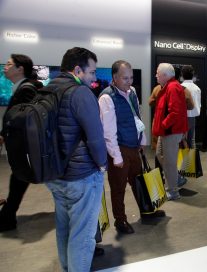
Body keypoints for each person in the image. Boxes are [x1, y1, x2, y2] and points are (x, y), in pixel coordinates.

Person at [45, 47, 107, 272]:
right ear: (77, 70)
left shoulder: (48, 89)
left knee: (64, 228)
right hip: (81, 176)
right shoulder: (80, 93)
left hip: (54, 173)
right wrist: (102, 165)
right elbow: (95, 137)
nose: (94, 78)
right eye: (91, 72)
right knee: (82, 235)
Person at [99, 60, 165, 234]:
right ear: (114, 77)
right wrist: (116, 156)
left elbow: (137, 116)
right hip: (119, 149)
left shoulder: (132, 92)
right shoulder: (107, 98)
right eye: (125, 78)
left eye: (131, 77)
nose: (129, 82)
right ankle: (120, 221)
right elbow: (108, 131)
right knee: (118, 187)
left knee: (138, 181)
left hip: (134, 146)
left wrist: (142, 139)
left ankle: (147, 211)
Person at [0, 54, 41, 232]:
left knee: (20, 177)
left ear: (20, 69)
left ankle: (7, 217)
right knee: (19, 178)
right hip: (23, 148)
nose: (5, 67)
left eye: (9, 64)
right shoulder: (21, 88)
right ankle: (7, 216)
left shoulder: (27, 89)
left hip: (25, 148)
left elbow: (28, 119)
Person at [152, 63, 188, 200]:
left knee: (169, 162)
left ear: (165, 75)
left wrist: (163, 124)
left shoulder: (172, 87)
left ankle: (173, 191)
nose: (156, 75)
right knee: (160, 155)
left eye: (158, 73)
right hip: (168, 131)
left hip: (171, 131)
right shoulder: (169, 87)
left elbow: (175, 112)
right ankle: (176, 179)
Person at [181, 65, 201, 149]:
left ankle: (185, 161)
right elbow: (198, 104)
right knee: (191, 140)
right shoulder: (197, 88)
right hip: (192, 117)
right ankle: (192, 161)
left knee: (182, 140)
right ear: (193, 74)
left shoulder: (180, 87)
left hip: (182, 117)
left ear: (182, 75)